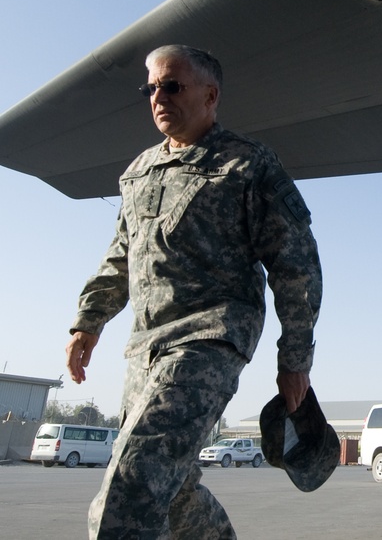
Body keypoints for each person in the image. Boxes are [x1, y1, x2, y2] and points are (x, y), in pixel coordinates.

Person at [64, 44, 323, 538]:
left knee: (129, 488)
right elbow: (121, 255)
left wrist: (295, 359)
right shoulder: (138, 172)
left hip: (210, 336)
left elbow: (297, 266)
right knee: (173, 483)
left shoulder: (248, 165)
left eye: (172, 85)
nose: (158, 96)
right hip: (146, 347)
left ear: (210, 95)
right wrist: (88, 321)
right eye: (151, 87)